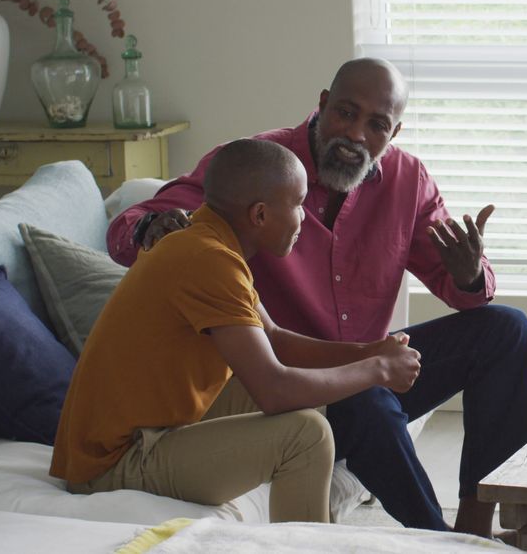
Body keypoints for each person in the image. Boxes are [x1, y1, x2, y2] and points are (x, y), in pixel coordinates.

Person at [106, 58, 527, 537]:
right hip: (289, 378)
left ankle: (478, 523)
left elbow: (466, 295)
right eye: (346, 113)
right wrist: (152, 227)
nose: (355, 134)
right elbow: (137, 223)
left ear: (392, 134)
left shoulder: (408, 181)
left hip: (366, 362)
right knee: (367, 399)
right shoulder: (257, 165)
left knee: (506, 328)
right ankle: (437, 539)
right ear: (322, 105)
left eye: (376, 125)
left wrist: (469, 274)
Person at [51, 139, 423, 524]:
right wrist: (378, 372)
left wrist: (371, 351)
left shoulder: (204, 240)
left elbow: (275, 340)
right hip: (112, 463)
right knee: (305, 435)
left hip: (146, 430)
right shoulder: (210, 261)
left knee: (311, 397)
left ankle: (312, 527)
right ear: (260, 215)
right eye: (298, 204)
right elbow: (274, 391)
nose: (304, 218)